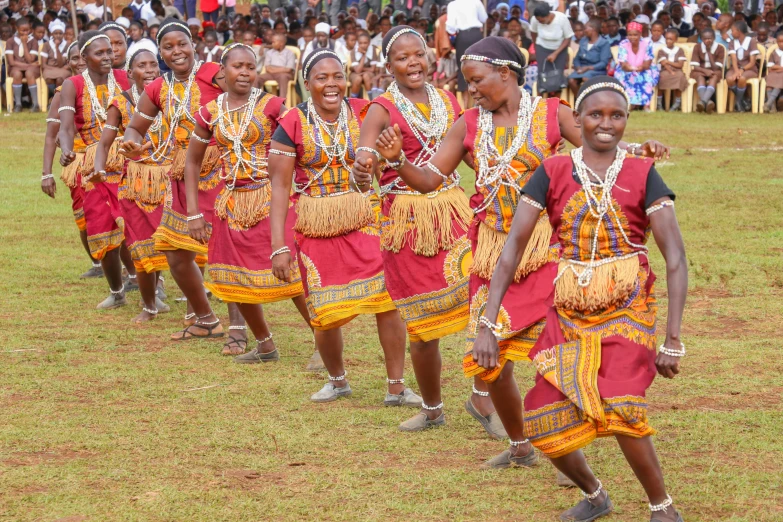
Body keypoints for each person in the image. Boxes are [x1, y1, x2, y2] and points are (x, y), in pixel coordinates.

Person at [369, 37, 669, 470]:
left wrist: (640, 149)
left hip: (547, 251)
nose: (470, 90)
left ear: (505, 74)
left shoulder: (550, 113)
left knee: (562, 352)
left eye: (476, 81)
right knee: (489, 363)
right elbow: (429, 180)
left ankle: (571, 450)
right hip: (493, 254)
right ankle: (519, 444)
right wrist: (397, 161)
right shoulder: (469, 124)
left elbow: (602, 146)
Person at [472, 75, 685, 522]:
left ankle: (662, 508)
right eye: (596, 114)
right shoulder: (552, 171)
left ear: (627, 120)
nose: (606, 124)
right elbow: (511, 248)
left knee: (624, 406)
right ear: (579, 119)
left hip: (628, 310)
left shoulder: (642, 173)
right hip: (568, 312)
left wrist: (672, 338)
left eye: (617, 116)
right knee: (544, 421)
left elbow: (675, 258)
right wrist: (488, 323)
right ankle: (595, 494)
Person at [268, 49, 421, 406]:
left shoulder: (366, 112)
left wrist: (375, 169)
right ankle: (337, 381)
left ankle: (396, 387)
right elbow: (279, 188)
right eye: (322, 78)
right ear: (307, 84)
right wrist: (279, 246)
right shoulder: (292, 122)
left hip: (366, 219)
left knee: (388, 300)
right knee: (324, 311)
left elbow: (390, 157)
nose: (331, 84)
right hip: (316, 225)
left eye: (337, 76)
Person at [354, 26, 475, 432]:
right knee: (423, 324)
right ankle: (432, 407)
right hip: (407, 223)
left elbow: (469, 150)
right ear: (389, 66)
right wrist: (363, 166)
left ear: (430, 57)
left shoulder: (446, 99)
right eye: (403, 58)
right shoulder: (381, 108)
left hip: (455, 214)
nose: (413, 64)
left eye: (418, 55)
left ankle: (484, 398)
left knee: (481, 308)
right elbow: (364, 156)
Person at [121, 18, 249, 350]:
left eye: (182, 44)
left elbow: (244, 95)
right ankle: (206, 319)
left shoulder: (211, 73)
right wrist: (132, 141)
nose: (176, 51)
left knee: (224, 251)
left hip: (221, 171)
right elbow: (136, 127)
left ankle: (238, 328)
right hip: (183, 176)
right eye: (168, 47)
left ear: (194, 45)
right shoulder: (158, 88)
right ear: (160, 52)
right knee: (174, 253)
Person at [184, 43, 314, 360]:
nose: (244, 72)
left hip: (272, 198)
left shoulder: (274, 106)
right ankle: (265, 343)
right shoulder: (211, 112)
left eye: (250, 67)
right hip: (231, 203)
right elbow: (191, 163)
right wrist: (192, 213)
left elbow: (301, 142)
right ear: (222, 71)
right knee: (233, 277)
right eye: (237, 66)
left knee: (292, 274)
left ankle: (322, 343)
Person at [91, 40, 170, 323]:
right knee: (140, 242)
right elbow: (104, 143)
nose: (149, 70)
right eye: (141, 65)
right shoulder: (121, 103)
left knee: (169, 240)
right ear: (130, 71)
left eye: (153, 65)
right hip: (136, 181)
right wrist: (99, 168)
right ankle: (148, 304)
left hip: (170, 179)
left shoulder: (171, 97)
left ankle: (172, 296)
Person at [58, 30, 132, 309]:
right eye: (99, 52)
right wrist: (67, 149)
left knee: (133, 227)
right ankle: (116, 291)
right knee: (101, 229)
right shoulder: (73, 84)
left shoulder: (125, 79)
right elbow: (65, 126)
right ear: (85, 57)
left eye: (110, 51)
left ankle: (146, 281)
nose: (107, 56)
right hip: (93, 166)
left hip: (127, 162)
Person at [41, 42, 102, 279]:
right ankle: (98, 264)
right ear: (69, 63)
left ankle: (130, 269)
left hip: (111, 160)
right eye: (74, 58)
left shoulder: (112, 86)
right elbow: (50, 136)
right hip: (77, 162)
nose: (80, 62)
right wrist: (46, 173)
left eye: (83, 57)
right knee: (84, 217)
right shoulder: (63, 92)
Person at [446, 0, 488, 101]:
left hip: (462, 36)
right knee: (479, 65)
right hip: (476, 35)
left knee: (463, 68)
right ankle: (477, 102)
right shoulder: (476, 2)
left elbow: (450, 26)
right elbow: (484, 18)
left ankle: (465, 105)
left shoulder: (452, 4)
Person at [531, 3, 574, 98]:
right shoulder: (535, 19)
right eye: (537, 20)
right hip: (542, 47)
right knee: (542, 76)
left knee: (557, 76)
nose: (539, 22)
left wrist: (555, 53)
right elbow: (533, 32)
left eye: (541, 20)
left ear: (548, 16)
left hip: (560, 49)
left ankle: (556, 104)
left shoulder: (562, 19)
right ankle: (539, 104)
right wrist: (536, 47)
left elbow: (568, 38)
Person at [614, 21, 659, 110]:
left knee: (647, 77)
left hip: (644, 68)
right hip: (626, 69)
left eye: (635, 35)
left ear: (640, 34)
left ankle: (646, 105)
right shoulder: (623, 44)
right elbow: (623, 64)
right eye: (630, 35)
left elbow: (647, 64)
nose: (632, 37)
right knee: (624, 77)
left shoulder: (647, 43)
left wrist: (639, 68)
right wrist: (631, 69)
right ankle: (628, 104)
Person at [568, 18, 612, 96]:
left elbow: (603, 63)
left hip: (597, 70)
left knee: (586, 79)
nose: (584, 31)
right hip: (582, 69)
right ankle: (580, 100)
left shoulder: (604, 43)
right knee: (571, 80)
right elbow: (577, 57)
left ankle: (591, 102)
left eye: (586, 28)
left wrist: (588, 68)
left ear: (593, 29)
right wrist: (578, 67)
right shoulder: (583, 41)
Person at [5, 17, 41, 112]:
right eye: (23, 30)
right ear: (17, 28)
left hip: (31, 69)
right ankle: (18, 104)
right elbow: (11, 62)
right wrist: (31, 65)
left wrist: (24, 44)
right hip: (16, 68)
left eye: (27, 30)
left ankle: (35, 104)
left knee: (30, 73)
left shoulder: (33, 41)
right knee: (17, 74)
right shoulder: (10, 41)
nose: (26, 33)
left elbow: (30, 59)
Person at [726, 20, 759, 112]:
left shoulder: (751, 41)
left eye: (732, 30)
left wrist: (742, 70)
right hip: (735, 67)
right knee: (729, 79)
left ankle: (738, 103)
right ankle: (743, 100)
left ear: (738, 31)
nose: (731, 33)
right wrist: (736, 71)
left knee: (742, 79)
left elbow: (752, 62)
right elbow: (734, 59)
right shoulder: (732, 42)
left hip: (749, 68)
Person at [690, 28, 725, 113]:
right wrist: (705, 71)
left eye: (710, 38)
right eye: (705, 39)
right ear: (701, 39)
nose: (707, 40)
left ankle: (702, 102)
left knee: (714, 76)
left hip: (714, 70)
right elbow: (695, 66)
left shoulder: (720, 48)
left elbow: (716, 68)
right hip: (700, 70)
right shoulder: (697, 47)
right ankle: (707, 102)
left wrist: (709, 52)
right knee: (699, 77)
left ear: (714, 38)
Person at [656, 28, 688, 111]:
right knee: (661, 77)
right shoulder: (661, 51)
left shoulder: (680, 50)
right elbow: (663, 64)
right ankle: (659, 103)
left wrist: (668, 62)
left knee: (680, 77)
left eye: (671, 39)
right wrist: (670, 71)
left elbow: (680, 65)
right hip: (665, 71)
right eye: (667, 39)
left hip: (677, 71)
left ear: (676, 40)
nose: (668, 41)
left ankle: (677, 103)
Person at [256, 32, 295, 96]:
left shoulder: (290, 53)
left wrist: (273, 69)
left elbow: (288, 69)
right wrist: (282, 68)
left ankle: (282, 102)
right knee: (257, 78)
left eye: (274, 42)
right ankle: (254, 100)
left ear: (281, 43)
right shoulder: (269, 53)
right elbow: (268, 68)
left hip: (285, 75)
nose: (272, 44)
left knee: (283, 77)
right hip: (271, 74)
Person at [348, 30, 378, 97]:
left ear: (369, 43)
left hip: (368, 74)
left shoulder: (372, 49)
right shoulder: (353, 51)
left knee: (366, 76)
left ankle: (371, 99)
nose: (363, 45)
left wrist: (361, 70)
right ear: (358, 43)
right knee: (358, 79)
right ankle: (353, 101)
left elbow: (372, 69)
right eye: (360, 43)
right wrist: (363, 55)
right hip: (355, 74)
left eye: (365, 43)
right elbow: (357, 71)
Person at [41, 19, 70, 88]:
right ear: (52, 34)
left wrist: (57, 48)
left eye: (60, 33)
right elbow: (43, 64)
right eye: (55, 33)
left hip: (63, 68)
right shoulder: (47, 45)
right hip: (49, 68)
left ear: (63, 34)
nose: (58, 36)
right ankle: (52, 96)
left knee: (59, 79)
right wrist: (51, 68)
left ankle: (58, 96)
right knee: (48, 79)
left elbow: (60, 64)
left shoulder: (67, 45)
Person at [762, 30, 783, 113]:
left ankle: (769, 103)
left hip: (780, 75)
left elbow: (774, 67)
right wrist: (781, 68)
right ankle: (772, 107)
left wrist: (777, 68)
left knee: (780, 79)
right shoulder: (774, 53)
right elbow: (770, 67)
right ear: (776, 42)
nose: (781, 44)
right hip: (775, 73)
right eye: (779, 42)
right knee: (769, 77)